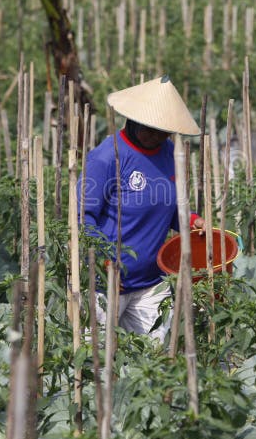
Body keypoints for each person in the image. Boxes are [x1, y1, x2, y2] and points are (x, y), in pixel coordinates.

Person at [79, 75, 204, 343]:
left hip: (151, 284)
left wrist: (192, 220)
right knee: (95, 358)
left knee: (154, 358)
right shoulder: (107, 157)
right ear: (133, 120)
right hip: (106, 285)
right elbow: (83, 217)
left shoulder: (169, 153)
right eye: (150, 129)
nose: (156, 136)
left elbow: (170, 208)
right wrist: (102, 263)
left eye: (163, 131)